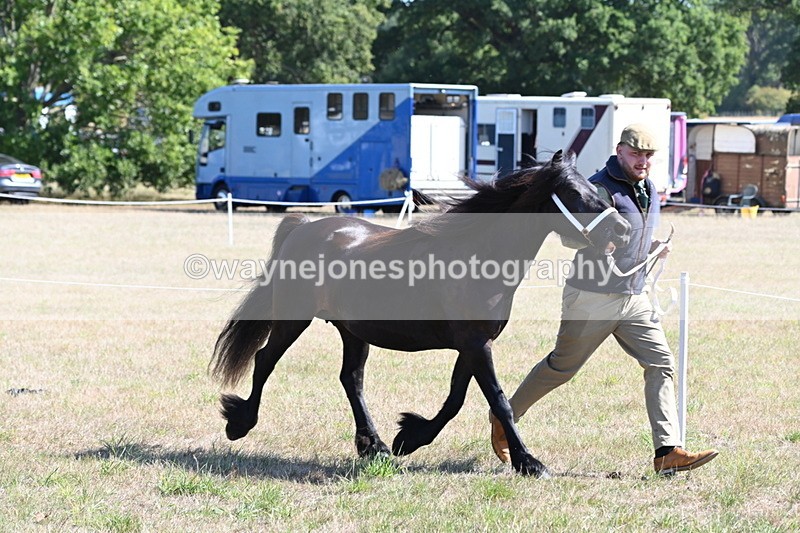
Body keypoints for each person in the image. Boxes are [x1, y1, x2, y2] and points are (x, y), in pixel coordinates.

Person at [490, 123, 718, 475]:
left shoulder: (649, 189)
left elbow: (639, 232)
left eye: (648, 155)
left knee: (661, 363)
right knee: (561, 368)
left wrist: (652, 247)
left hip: (634, 297)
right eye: (636, 154)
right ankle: (505, 418)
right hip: (592, 297)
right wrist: (605, 243)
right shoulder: (599, 186)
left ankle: (667, 451)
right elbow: (572, 237)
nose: (642, 161)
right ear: (620, 150)